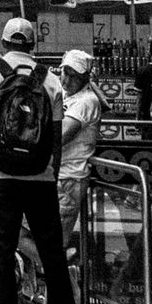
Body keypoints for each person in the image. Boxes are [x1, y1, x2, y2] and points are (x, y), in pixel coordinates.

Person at [0, 16, 84, 304]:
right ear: (33, 45)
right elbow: (54, 134)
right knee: (52, 255)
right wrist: (53, 171)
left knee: (4, 253)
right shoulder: (49, 79)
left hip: (2, 176)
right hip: (42, 177)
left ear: (4, 43)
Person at [57, 49, 102, 249]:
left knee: (55, 241)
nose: (66, 79)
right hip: (58, 174)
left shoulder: (86, 101)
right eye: (64, 72)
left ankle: (59, 272)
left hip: (69, 177)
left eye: (73, 75)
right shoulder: (66, 96)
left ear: (85, 78)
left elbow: (60, 136)